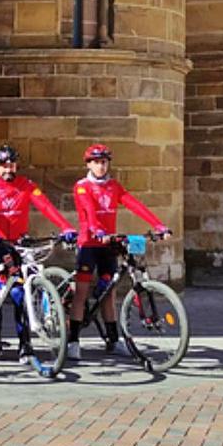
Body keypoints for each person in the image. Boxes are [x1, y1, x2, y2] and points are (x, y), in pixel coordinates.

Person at [0, 144, 77, 362]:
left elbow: (46, 207)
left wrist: (66, 226)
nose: (8, 169)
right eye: (3, 165)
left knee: (20, 294)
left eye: (11, 164)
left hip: (19, 245)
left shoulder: (26, 185)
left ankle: (25, 345)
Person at [69, 144, 172, 360]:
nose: (101, 166)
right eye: (96, 162)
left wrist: (158, 225)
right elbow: (88, 211)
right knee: (81, 292)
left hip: (108, 245)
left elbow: (134, 204)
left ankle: (113, 340)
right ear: (89, 164)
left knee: (109, 292)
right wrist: (97, 230)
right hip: (89, 244)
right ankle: (73, 341)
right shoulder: (82, 186)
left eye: (104, 162)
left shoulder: (113, 186)